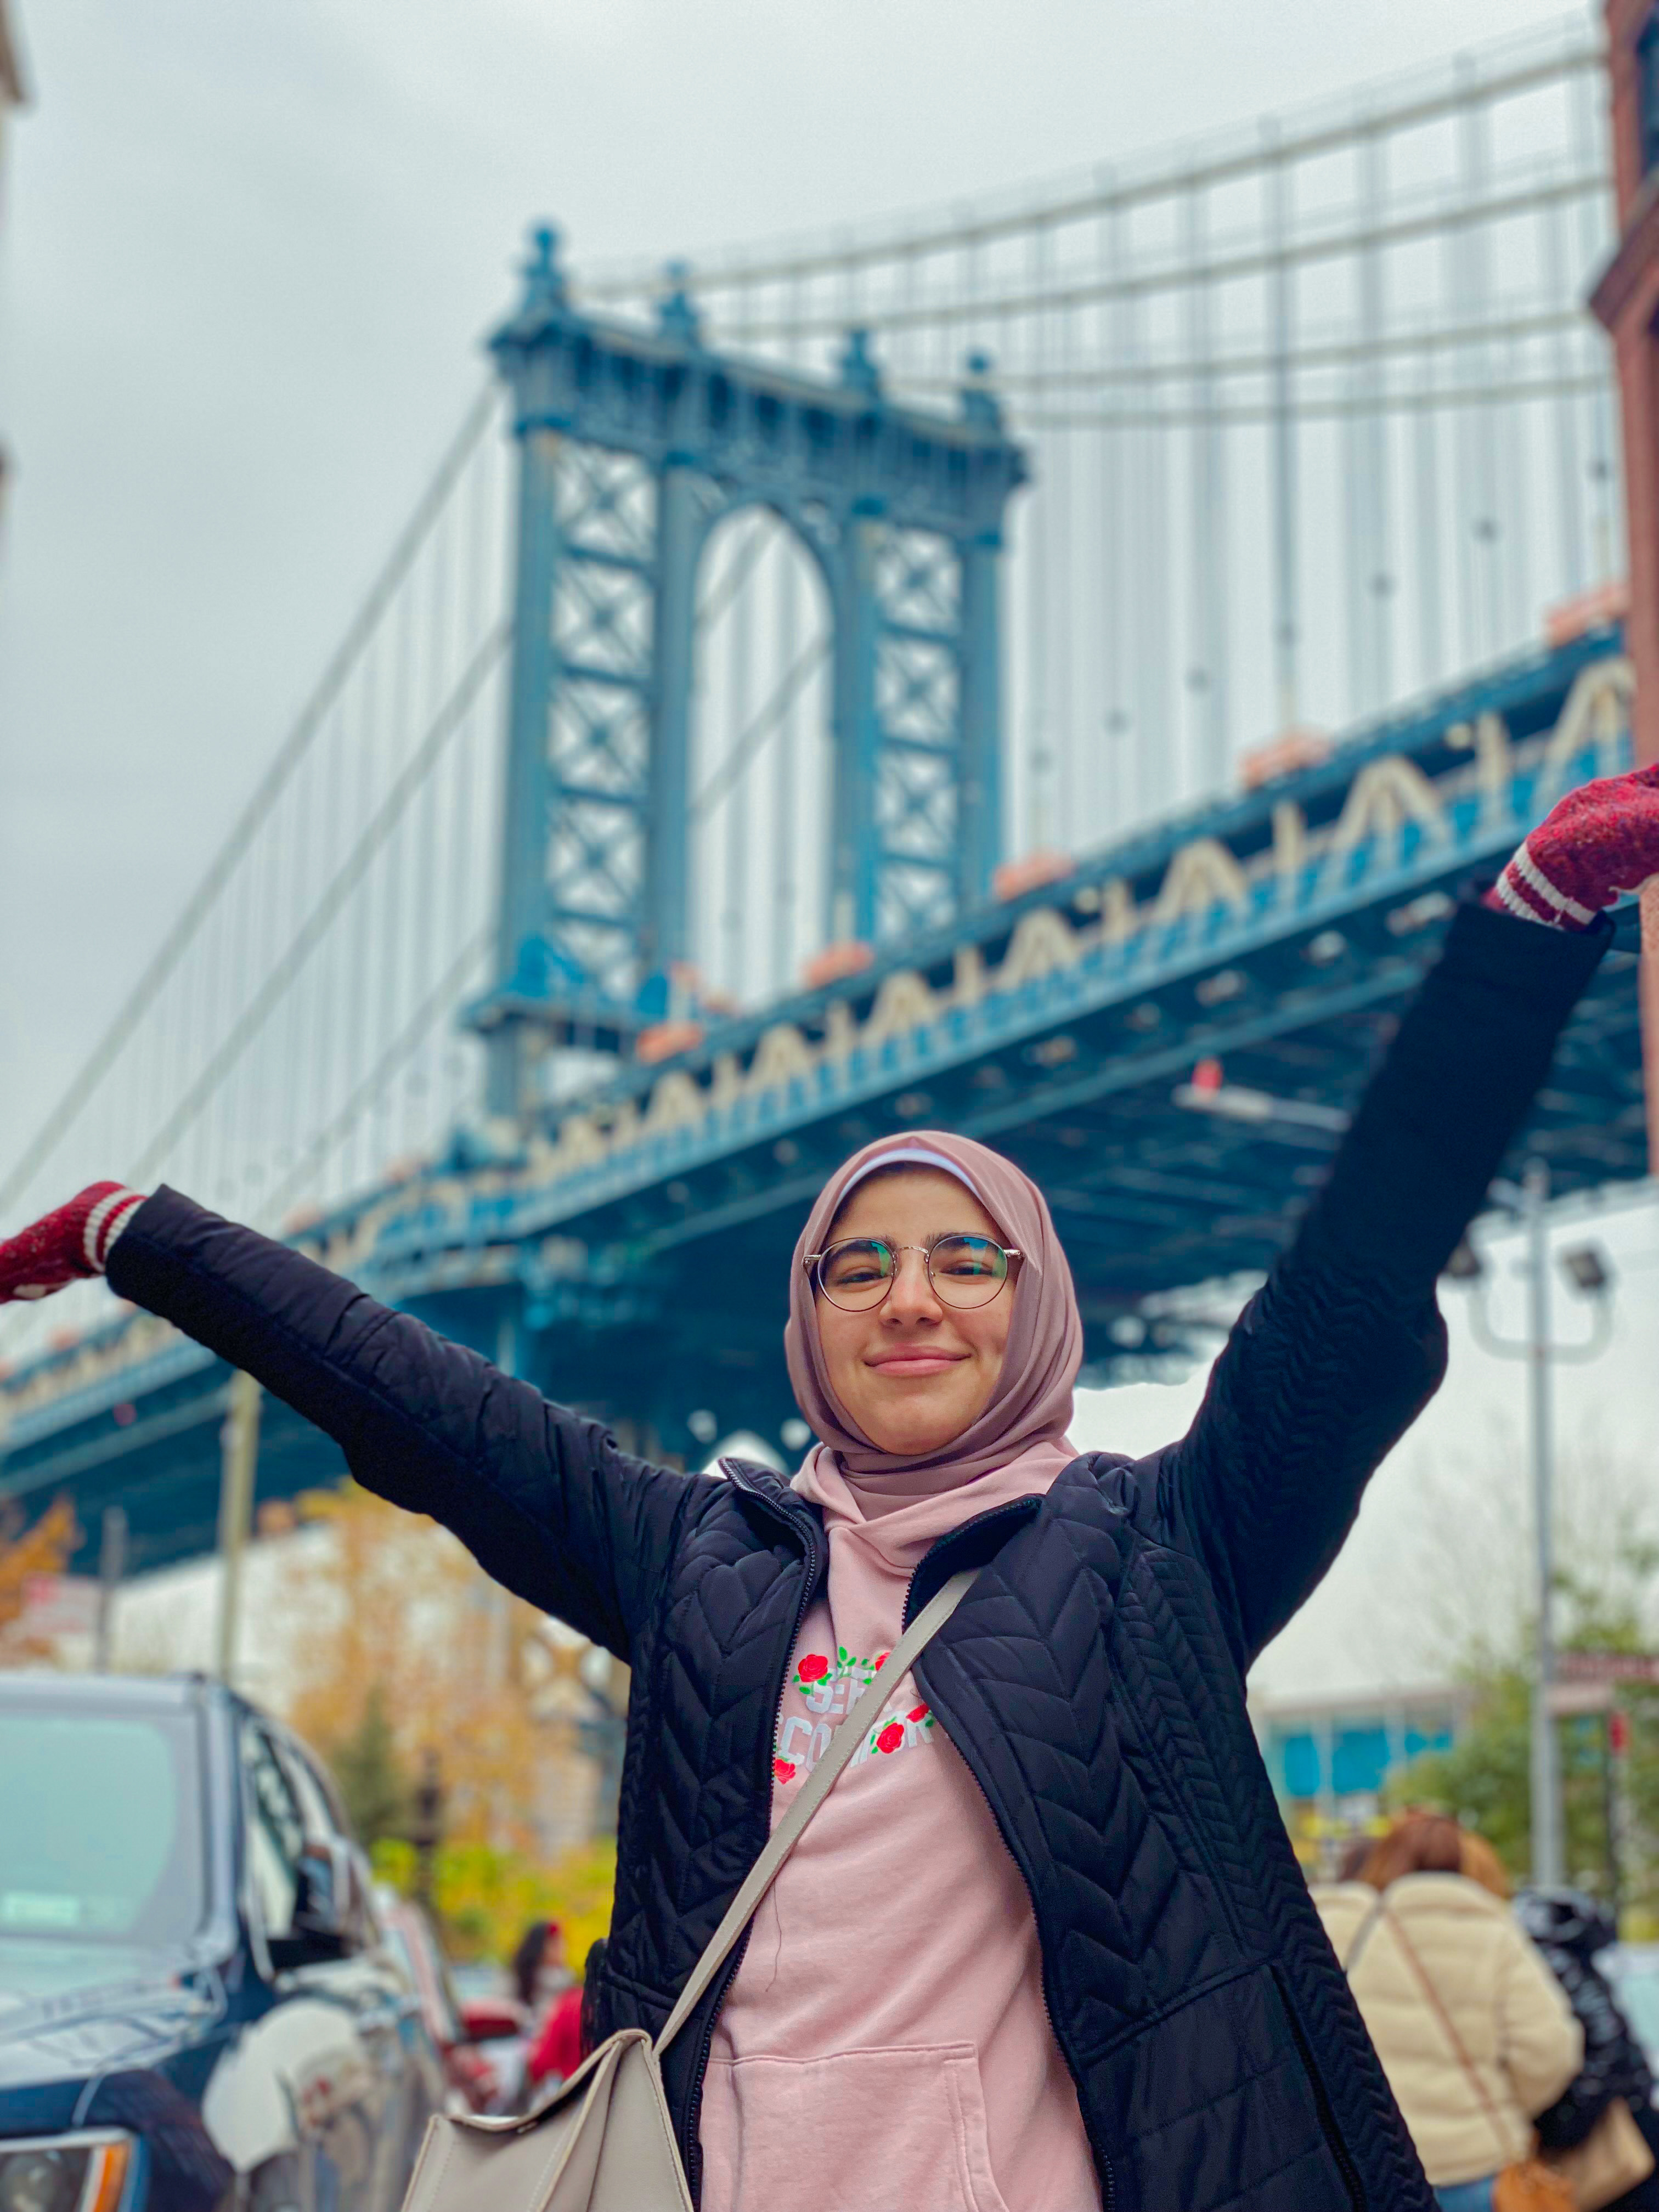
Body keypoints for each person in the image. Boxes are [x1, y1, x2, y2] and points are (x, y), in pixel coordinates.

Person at [2, 769, 1654, 2212]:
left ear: (1037, 1308)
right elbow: (423, 1407)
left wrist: (1520, 939)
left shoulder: (1163, 1555)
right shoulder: (699, 1563)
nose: (910, 1300)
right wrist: (141, 1238)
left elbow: (1346, 1302)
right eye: (856, 1266)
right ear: (806, 1321)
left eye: (963, 1262)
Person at [1312, 1814, 1582, 2211]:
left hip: (1368, 2163)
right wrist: (1497, 2105)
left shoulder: (1343, 1927)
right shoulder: (1493, 1932)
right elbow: (1549, 2051)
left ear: (1386, 1858)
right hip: (1476, 2170)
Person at [1517, 1887, 1659, 2211]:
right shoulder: (1569, 1957)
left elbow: (1606, 2040)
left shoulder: (1548, 1957)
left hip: (1613, 2128)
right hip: (1629, 2114)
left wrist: (1564, 2124)